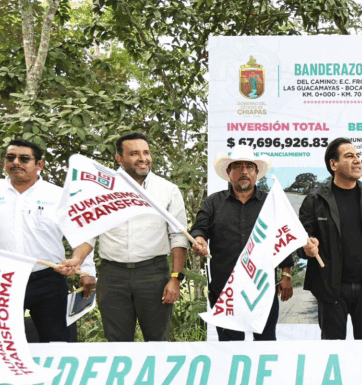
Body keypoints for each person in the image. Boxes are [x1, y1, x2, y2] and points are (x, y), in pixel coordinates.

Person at [297, 137, 362, 340]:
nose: (357, 161)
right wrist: (306, 248)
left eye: (358, 156)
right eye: (349, 156)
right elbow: (301, 240)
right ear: (333, 164)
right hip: (331, 288)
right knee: (332, 349)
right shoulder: (315, 200)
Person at [190, 146, 293, 341]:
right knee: (229, 348)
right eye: (237, 167)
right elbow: (199, 228)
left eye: (249, 167)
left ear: (256, 173)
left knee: (265, 345)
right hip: (225, 290)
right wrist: (200, 240)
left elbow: (284, 237)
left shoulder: (271, 202)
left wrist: (286, 273)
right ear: (229, 173)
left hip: (262, 289)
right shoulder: (213, 202)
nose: (244, 171)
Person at [95, 133, 188, 342]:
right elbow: (89, 232)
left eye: (146, 152)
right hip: (112, 275)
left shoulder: (167, 190)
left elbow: (178, 236)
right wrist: (82, 267)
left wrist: (176, 278)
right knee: (117, 343)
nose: (143, 158)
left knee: (157, 342)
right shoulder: (102, 188)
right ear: (119, 158)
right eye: (134, 153)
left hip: (153, 275)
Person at [0, 139, 95, 342]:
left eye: (24, 158)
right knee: (5, 345)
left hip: (48, 282)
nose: (16, 162)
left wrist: (78, 261)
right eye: (10, 157)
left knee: (57, 342)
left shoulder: (59, 196)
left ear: (39, 165)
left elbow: (84, 236)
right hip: (4, 282)